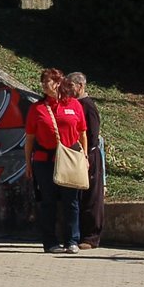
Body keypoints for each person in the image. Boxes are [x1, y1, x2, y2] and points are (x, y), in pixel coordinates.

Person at [26, 68, 88, 254]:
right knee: (48, 202)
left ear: (59, 83)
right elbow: (29, 139)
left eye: (49, 81)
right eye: (43, 81)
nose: (45, 84)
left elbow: (82, 133)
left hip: (69, 159)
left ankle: (72, 241)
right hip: (44, 161)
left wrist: (84, 157)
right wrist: (28, 164)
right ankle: (50, 242)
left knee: (71, 201)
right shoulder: (37, 108)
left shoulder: (74, 105)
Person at [66, 72, 105, 250]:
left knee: (91, 197)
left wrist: (86, 154)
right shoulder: (74, 105)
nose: (67, 90)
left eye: (70, 86)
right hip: (76, 155)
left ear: (80, 86)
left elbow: (92, 135)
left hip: (88, 156)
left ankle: (91, 237)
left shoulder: (88, 106)